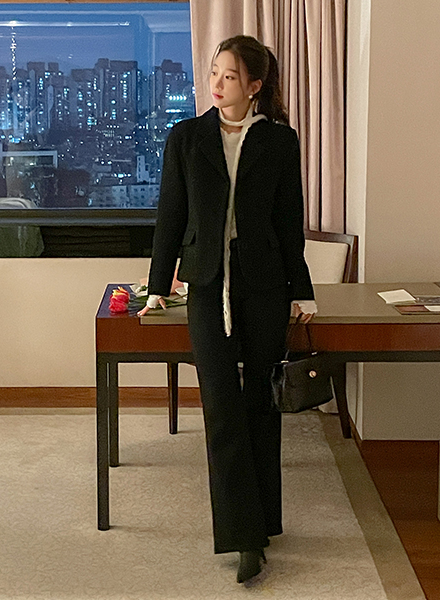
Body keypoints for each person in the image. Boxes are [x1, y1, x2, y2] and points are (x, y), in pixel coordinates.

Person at [137, 35, 317, 583]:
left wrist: (301, 288)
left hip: (264, 288)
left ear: (254, 86)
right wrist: (157, 285)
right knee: (220, 407)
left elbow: (289, 221)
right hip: (206, 288)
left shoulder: (279, 141)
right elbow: (171, 214)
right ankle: (244, 539)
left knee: (262, 403)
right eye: (214, 72)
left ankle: (264, 522)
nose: (216, 83)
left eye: (230, 76)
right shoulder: (186, 138)